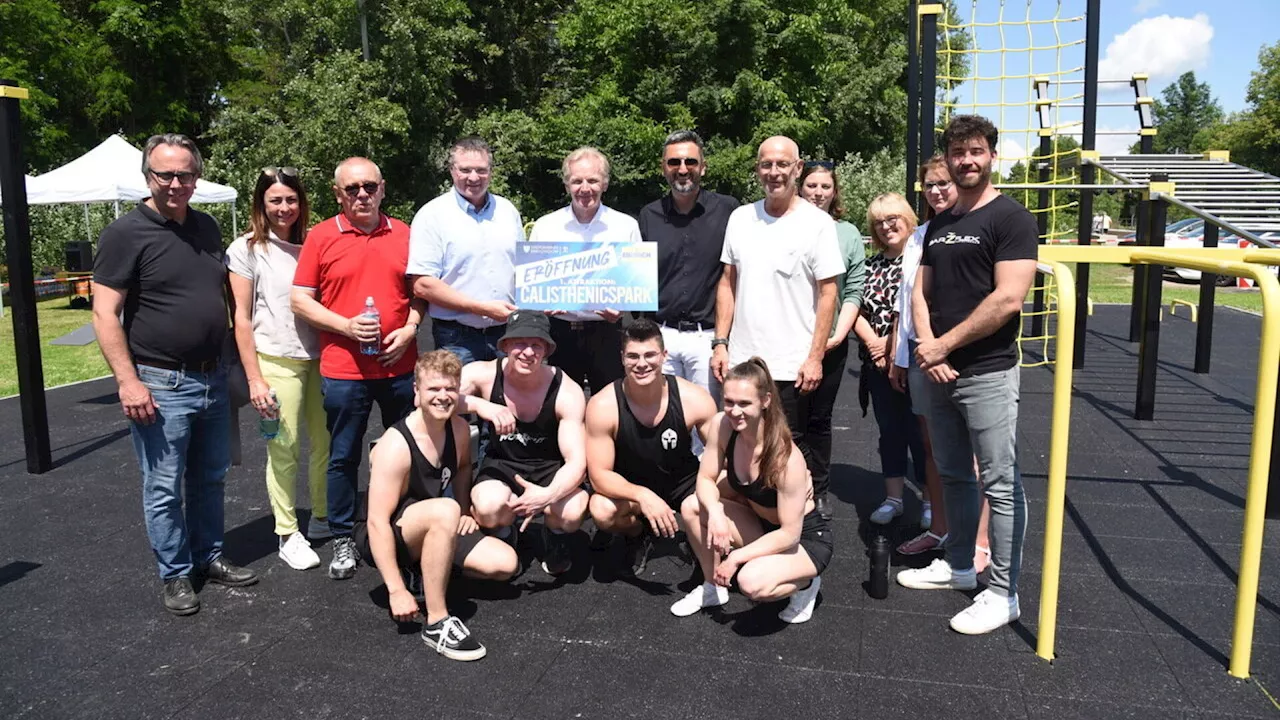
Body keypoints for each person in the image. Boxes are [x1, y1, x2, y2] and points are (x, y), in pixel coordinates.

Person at [92, 133, 257, 616]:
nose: (175, 183)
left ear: (196, 176)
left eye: (185, 174)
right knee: (163, 487)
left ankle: (208, 557)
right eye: (164, 174)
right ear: (148, 176)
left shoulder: (205, 228)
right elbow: (105, 314)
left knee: (209, 478)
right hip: (161, 383)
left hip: (211, 378)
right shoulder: (125, 233)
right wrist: (128, 381)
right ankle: (176, 574)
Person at [897, 115, 1039, 635]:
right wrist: (929, 350)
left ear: (991, 155)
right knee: (954, 474)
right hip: (940, 371)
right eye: (958, 153)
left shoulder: (1011, 219)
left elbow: (1007, 299)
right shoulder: (940, 223)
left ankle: (1003, 592)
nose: (967, 161)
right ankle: (959, 565)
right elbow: (920, 292)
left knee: (1001, 483)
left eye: (976, 151)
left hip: (986, 370)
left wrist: (943, 346)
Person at [291, 157, 424, 581]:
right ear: (338, 194)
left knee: (408, 453)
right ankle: (343, 535)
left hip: (399, 364)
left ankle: (406, 528)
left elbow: (421, 292)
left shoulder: (404, 233)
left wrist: (410, 328)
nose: (362, 194)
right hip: (345, 369)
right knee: (343, 456)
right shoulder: (320, 237)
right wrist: (346, 326)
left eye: (369, 186)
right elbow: (300, 300)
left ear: (383, 188)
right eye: (352, 189)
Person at [356, 350, 520, 661]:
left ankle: (427, 566)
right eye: (433, 389)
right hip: (386, 533)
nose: (443, 397)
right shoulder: (396, 445)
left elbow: (460, 470)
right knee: (446, 511)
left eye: (449, 389)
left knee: (504, 564)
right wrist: (395, 590)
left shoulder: (457, 429)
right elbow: (376, 522)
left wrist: (466, 511)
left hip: (433, 518)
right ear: (416, 393)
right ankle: (437, 621)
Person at [711, 136, 844, 520]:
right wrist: (721, 343)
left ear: (797, 169)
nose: (774, 172)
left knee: (788, 453)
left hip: (790, 363)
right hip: (743, 362)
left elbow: (828, 294)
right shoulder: (740, 218)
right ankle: (751, 532)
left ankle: (800, 539)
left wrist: (815, 357)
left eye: (782, 164)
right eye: (766, 165)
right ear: (757, 171)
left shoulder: (818, 224)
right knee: (743, 451)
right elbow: (727, 284)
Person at [671, 358, 833, 624]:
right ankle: (713, 587)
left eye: (745, 403)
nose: (735, 411)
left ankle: (806, 584)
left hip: (801, 538)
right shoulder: (723, 425)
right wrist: (715, 514)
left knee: (751, 583)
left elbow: (790, 534)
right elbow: (705, 478)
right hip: (763, 526)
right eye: (729, 402)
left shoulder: (786, 458)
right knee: (692, 506)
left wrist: (736, 557)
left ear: (766, 401)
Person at [890, 157, 993, 566]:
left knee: (973, 454)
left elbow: (978, 299)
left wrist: (941, 349)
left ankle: (979, 542)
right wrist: (905, 355)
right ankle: (941, 529)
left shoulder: (976, 229)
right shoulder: (920, 235)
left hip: (959, 355)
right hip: (921, 353)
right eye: (929, 185)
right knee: (933, 449)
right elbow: (909, 297)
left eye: (944, 183)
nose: (936, 191)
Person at [227, 167, 330, 571]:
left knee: (326, 444)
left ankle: (322, 517)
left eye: (291, 200)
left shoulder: (316, 244)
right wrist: (255, 378)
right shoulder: (248, 249)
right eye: (275, 200)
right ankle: (287, 531)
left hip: (322, 359)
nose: (284, 208)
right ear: (262, 205)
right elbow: (241, 317)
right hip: (277, 359)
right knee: (284, 447)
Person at [458, 311, 589, 576]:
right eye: (519, 343)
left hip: (549, 467)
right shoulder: (482, 374)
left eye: (536, 345)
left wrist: (547, 495)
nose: (527, 352)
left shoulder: (566, 390)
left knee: (572, 512)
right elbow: (429, 398)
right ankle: (505, 533)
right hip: (503, 465)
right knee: (487, 506)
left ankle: (554, 535)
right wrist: (480, 405)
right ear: (505, 346)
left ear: (547, 350)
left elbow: (577, 461)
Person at [585, 319, 719, 575]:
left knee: (721, 491)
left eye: (650, 355)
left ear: (664, 356)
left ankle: (696, 534)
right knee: (601, 511)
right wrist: (643, 495)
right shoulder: (603, 405)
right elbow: (599, 475)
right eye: (633, 356)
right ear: (622, 358)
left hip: (683, 483)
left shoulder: (694, 399)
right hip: (631, 487)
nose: (642, 363)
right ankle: (637, 532)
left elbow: (722, 454)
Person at [638, 130, 740, 396]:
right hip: (661, 336)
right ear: (664, 168)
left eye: (690, 162)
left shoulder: (729, 211)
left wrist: (722, 342)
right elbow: (639, 278)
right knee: (663, 419)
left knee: (708, 425)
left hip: (707, 338)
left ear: (703, 168)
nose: (682, 169)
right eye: (674, 163)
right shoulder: (648, 215)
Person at [529, 147, 639, 392]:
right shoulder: (546, 226)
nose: (585, 188)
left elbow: (634, 280)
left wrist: (621, 307)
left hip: (607, 332)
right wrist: (541, 305)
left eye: (592, 180)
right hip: (559, 333)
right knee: (562, 404)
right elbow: (533, 282)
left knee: (611, 402)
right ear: (567, 185)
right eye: (576, 181)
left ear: (605, 184)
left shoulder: (626, 226)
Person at [409, 136, 524, 364]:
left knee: (505, 400)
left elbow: (524, 269)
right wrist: (481, 308)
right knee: (458, 399)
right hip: (457, 337)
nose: (473, 177)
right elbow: (422, 284)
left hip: (508, 334)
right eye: (465, 170)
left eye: (481, 170)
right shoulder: (432, 215)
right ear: (452, 171)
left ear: (490, 172)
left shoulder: (508, 211)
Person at [796, 161, 865, 520]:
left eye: (825, 186)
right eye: (811, 185)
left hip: (832, 344)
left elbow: (854, 288)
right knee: (787, 422)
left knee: (819, 421)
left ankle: (818, 488)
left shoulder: (848, 234)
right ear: (799, 186)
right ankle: (790, 489)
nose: (818, 193)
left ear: (834, 191)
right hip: (790, 340)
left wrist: (839, 333)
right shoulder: (784, 227)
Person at [856, 193, 928, 529]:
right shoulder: (872, 265)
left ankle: (930, 500)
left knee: (922, 431)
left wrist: (892, 342)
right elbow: (853, 304)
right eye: (879, 222)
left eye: (892, 219)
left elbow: (920, 306)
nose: (886, 227)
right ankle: (894, 498)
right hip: (878, 362)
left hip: (914, 357)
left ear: (908, 218)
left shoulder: (921, 259)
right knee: (890, 430)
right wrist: (873, 341)